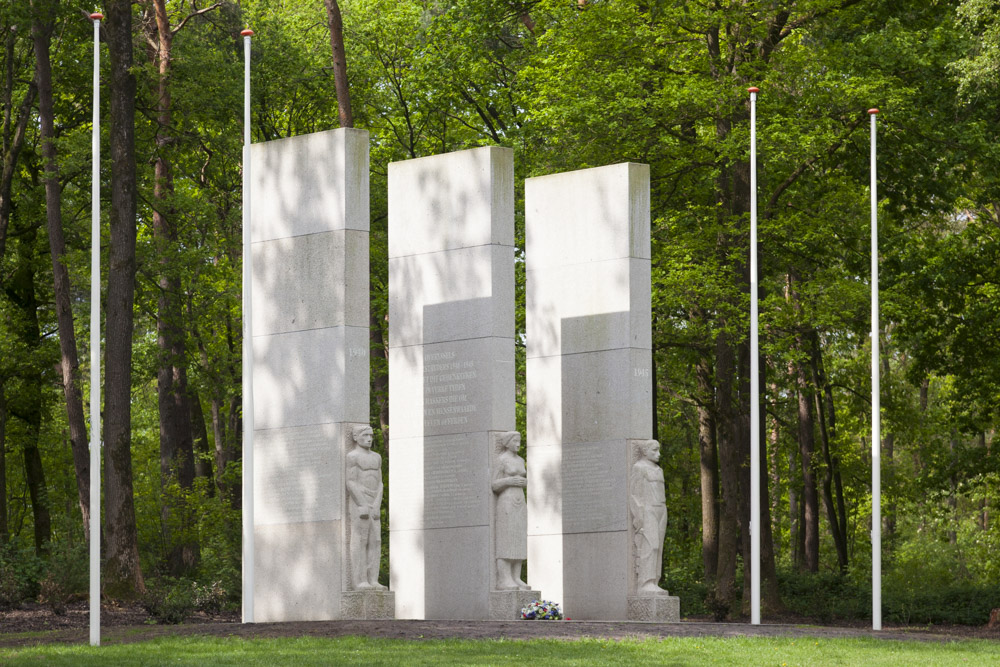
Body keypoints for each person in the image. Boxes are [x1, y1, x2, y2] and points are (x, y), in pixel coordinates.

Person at [346, 425, 386, 591]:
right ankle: (360, 580)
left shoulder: (377, 457)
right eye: (365, 435)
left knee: (375, 540)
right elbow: (351, 481)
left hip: (374, 500)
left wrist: (377, 504)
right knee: (361, 540)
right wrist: (362, 503)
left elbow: (381, 483)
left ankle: (373, 579)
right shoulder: (352, 456)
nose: (370, 438)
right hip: (360, 501)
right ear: (356, 437)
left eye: (371, 435)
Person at [491, 431, 530, 590]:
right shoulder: (501, 460)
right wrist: (509, 480)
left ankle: (516, 577)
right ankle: (504, 579)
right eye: (515, 440)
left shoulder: (520, 460)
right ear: (507, 442)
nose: (518, 443)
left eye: (519, 440)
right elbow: (494, 484)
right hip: (506, 501)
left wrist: (523, 482)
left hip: (520, 501)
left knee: (519, 539)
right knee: (507, 539)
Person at [629, 439, 668, 594]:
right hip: (648, 509)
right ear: (645, 452)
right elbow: (635, 494)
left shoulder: (659, 470)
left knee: (659, 548)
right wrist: (639, 515)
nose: (658, 454)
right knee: (651, 545)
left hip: (661, 509)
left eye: (658, 450)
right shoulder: (639, 468)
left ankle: (654, 581)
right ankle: (645, 583)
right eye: (654, 450)